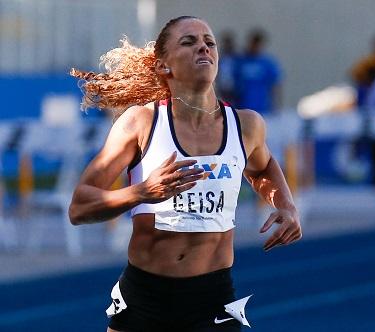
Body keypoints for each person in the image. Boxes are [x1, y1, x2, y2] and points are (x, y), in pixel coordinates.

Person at [69, 16, 301, 332]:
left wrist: (286, 204)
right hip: (145, 297)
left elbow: (262, 167)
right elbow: (79, 207)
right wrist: (141, 192)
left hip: (213, 299)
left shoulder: (246, 125)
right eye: (189, 42)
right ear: (164, 66)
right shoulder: (140, 123)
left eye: (209, 42)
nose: (203, 47)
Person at [233, 29, 282, 114]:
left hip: (263, 107)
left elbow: (275, 85)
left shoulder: (268, 63)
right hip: (242, 107)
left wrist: (276, 105)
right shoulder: (240, 61)